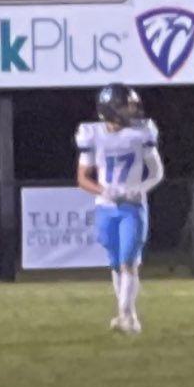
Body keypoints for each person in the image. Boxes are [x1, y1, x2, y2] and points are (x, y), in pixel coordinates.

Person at [76, 83, 165, 333]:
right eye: (128, 105)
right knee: (115, 263)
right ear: (112, 109)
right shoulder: (92, 134)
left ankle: (127, 316)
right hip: (105, 207)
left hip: (132, 207)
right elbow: (82, 178)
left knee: (129, 262)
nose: (133, 109)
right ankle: (125, 313)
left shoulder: (141, 132)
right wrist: (104, 191)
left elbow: (157, 171)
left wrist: (141, 188)